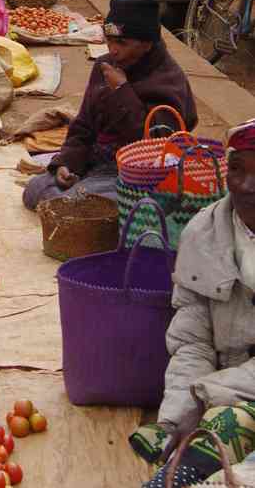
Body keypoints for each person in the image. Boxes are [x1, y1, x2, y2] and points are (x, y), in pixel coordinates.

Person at [130, 118, 255, 487]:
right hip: (224, 395)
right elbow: (192, 341)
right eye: (237, 169)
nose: (247, 186)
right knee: (198, 451)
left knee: (229, 434)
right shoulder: (203, 233)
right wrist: (176, 417)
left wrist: (206, 395)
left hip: (226, 396)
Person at [22, 0, 198, 210]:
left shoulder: (168, 79)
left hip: (134, 175)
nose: (113, 50)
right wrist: (67, 163)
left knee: (80, 205)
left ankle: (79, 202)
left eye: (122, 43)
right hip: (94, 164)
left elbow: (157, 143)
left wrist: (122, 90)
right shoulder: (105, 66)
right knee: (35, 190)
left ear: (147, 44)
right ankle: (75, 198)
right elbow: (83, 124)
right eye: (110, 40)